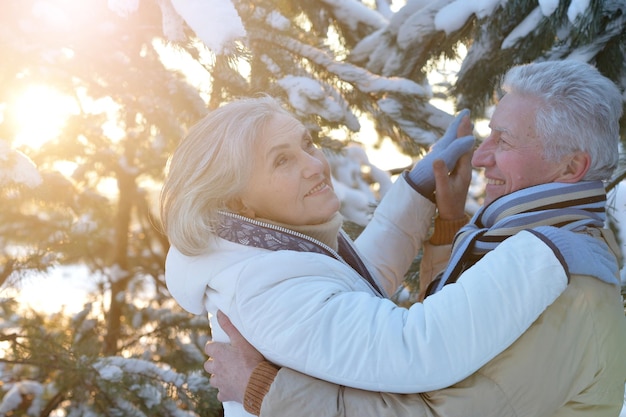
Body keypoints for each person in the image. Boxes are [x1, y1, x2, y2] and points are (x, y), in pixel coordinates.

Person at [204, 60, 626, 417]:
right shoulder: (534, 251)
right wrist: (448, 224)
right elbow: (449, 337)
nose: (480, 156)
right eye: (489, 134)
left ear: (571, 169)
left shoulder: (564, 288)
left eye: (505, 140)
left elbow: (429, 404)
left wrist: (264, 390)